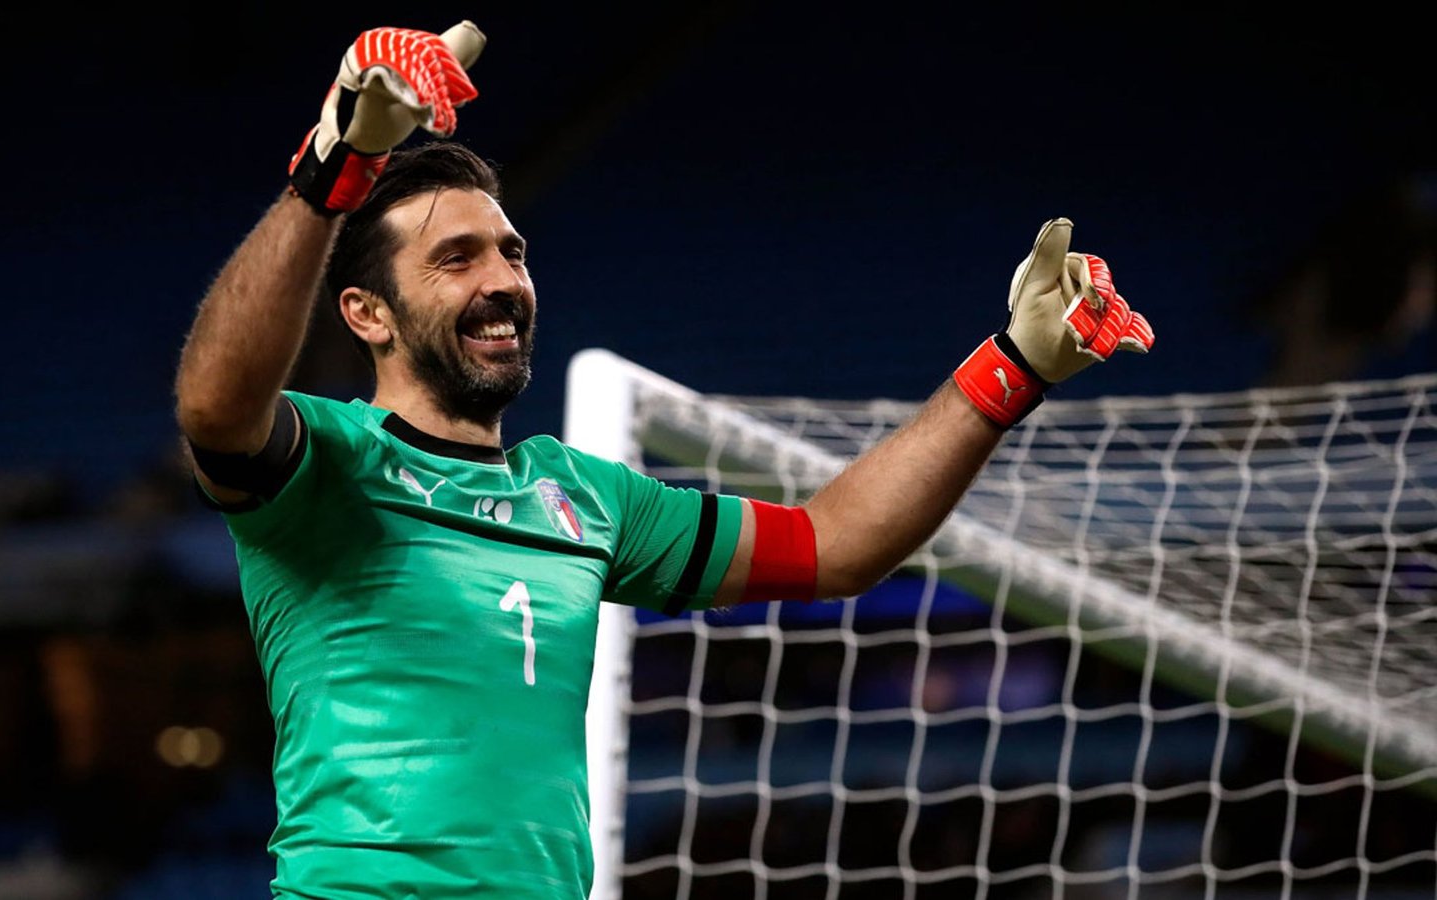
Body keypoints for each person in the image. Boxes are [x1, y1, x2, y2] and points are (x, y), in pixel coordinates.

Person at [172, 21, 1154, 900]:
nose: (504, 280)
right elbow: (214, 405)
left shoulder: (580, 497)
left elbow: (833, 546)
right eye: (456, 258)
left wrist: (1013, 367)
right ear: (367, 315)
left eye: (511, 251)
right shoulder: (331, 463)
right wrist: (335, 165)